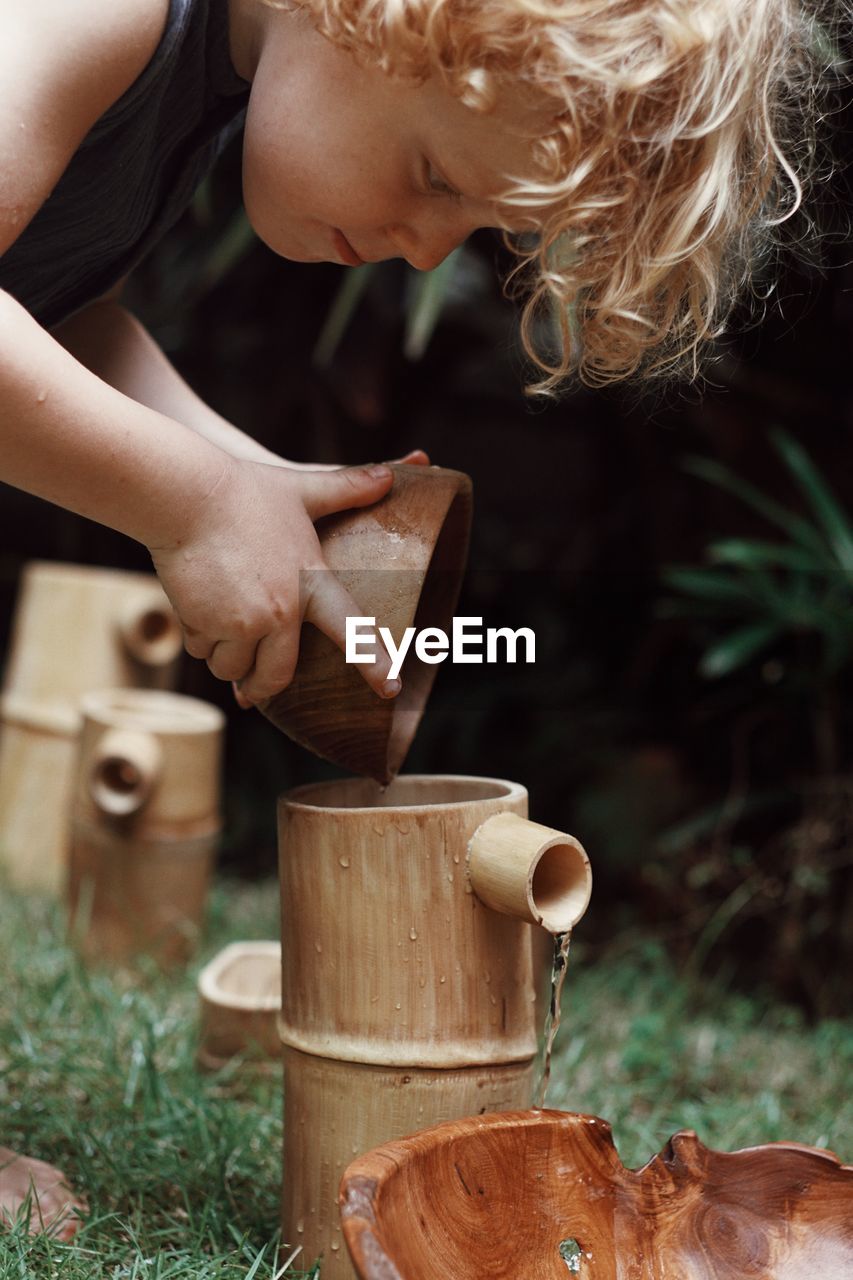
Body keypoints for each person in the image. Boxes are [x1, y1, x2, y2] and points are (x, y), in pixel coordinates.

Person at [0, 0, 828, 1243]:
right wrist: (189, 501)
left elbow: (49, 306)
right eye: (435, 170)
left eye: (479, 223)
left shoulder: (192, 90)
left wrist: (235, 481)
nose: (428, 245)